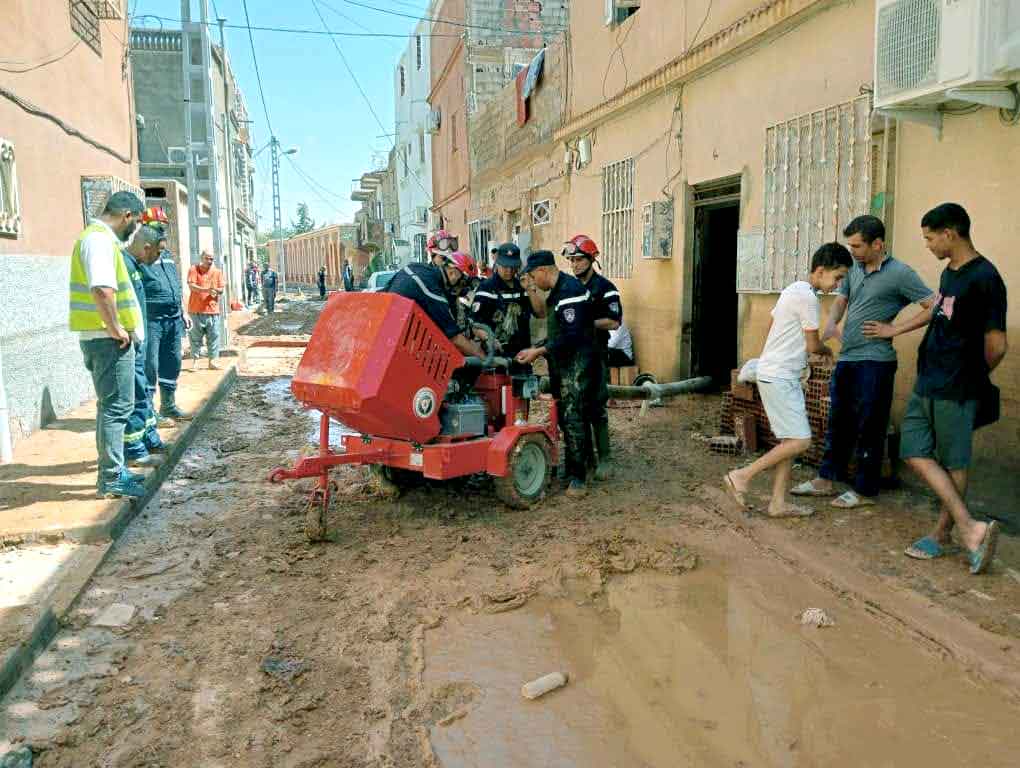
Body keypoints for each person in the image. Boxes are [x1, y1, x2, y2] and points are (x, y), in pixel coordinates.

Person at [867, 204, 1006, 574]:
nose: (927, 245)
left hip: (957, 385)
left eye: (930, 237)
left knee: (954, 460)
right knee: (914, 449)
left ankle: (946, 533)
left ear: (950, 233)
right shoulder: (950, 273)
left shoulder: (986, 278)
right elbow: (938, 310)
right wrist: (895, 330)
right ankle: (969, 526)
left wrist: (970, 375)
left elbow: (997, 345)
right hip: (929, 379)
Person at [792, 216, 934, 509]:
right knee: (838, 421)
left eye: (857, 245)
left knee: (870, 425)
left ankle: (865, 491)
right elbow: (842, 300)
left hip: (876, 362)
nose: (852, 250)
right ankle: (826, 479)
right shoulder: (853, 269)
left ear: (877, 244)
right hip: (848, 358)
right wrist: (831, 324)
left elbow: (937, 306)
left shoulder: (900, 273)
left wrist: (894, 330)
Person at [723, 243, 852, 518]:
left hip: (778, 373)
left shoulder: (793, 289)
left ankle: (778, 503)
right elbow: (813, 345)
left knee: (790, 440)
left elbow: (772, 326)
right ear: (820, 270)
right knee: (801, 441)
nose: (838, 284)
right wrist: (827, 350)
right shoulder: (809, 299)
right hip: (781, 376)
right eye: (837, 277)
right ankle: (742, 475)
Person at [69, 191, 147, 498]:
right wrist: (117, 330)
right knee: (116, 408)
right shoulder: (98, 241)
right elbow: (102, 290)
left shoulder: (97, 240)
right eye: (137, 223)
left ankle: (114, 473)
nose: (136, 230)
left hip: (104, 338)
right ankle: (113, 476)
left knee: (114, 407)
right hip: (107, 340)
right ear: (126, 215)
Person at [515, 250, 596, 498]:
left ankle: (578, 479)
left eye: (532, 277)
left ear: (542, 270)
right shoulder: (558, 291)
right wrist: (537, 346)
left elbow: (572, 336)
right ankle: (584, 465)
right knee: (565, 416)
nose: (533, 283)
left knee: (573, 417)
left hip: (576, 364)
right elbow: (558, 330)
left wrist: (538, 351)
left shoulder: (569, 291)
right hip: (562, 363)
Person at [563, 234, 622, 481]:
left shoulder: (605, 288)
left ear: (591, 259)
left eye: (579, 260)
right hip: (573, 355)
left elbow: (614, 320)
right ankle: (585, 457)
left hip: (596, 353)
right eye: (572, 260)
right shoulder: (569, 287)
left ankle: (605, 458)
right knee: (576, 407)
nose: (575, 264)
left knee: (597, 406)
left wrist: (586, 324)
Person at [137, 209, 191, 423]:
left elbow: (175, 285)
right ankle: (149, 412)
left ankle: (168, 405)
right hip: (152, 320)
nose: (163, 231)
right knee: (150, 365)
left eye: (163, 226)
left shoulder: (166, 255)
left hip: (173, 318)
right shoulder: (141, 256)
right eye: (159, 226)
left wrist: (183, 311)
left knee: (173, 361)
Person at [122, 223, 168, 468]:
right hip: (129, 344)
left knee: (144, 394)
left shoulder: (137, 267)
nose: (159, 258)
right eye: (158, 253)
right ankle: (134, 449)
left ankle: (150, 439)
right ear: (146, 247)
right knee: (137, 395)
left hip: (138, 341)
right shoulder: (125, 267)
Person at [385, 252, 485, 358]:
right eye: (463, 283)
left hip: (386, 331)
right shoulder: (433, 293)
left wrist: (473, 330)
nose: (462, 289)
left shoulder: (416, 267)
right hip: (398, 347)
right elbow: (455, 338)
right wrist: (483, 357)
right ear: (453, 273)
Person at [471, 242, 543, 367]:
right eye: (505, 266)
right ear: (497, 263)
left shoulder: (522, 285)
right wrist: (489, 339)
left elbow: (540, 313)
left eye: (513, 266)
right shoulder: (487, 288)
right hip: (495, 357)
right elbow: (475, 325)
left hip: (522, 356)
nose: (509, 271)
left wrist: (530, 289)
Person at [186, 251, 225, 370]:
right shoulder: (194, 269)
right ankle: (195, 361)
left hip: (212, 310)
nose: (209, 261)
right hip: (195, 310)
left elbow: (222, 288)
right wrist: (207, 290)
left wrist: (216, 291)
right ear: (201, 258)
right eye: (207, 258)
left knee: (214, 337)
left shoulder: (217, 272)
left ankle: (212, 361)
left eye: (211, 259)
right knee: (195, 338)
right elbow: (191, 286)